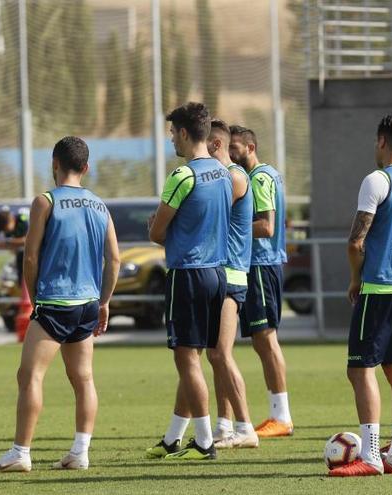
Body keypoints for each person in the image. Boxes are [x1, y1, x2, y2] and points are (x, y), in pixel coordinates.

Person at [0, 136, 120, 472]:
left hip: (55, 302)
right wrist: (104, 302)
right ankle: (80, 451)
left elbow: (30, 256)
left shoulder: (46, 201)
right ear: (86, 168)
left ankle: (20, 452)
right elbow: (113, 259)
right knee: (83, 378)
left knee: (29, 375)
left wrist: (34, 296)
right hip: (88, 303)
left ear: (54, 163)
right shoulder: (99, 205)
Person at [329, 114, 392, 477]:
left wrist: (355, 278)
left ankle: (371, 456)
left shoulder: (377, 180)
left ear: (381, 142)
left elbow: (357, 241)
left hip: (381, 286)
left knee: (359, 369)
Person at [145, 102, 231, 461]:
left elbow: (157, 231)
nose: (171, 141)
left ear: (183, 132)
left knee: (186, 360)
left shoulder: (183, 176)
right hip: (217, 273)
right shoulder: (225, 173)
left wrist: (158, 226)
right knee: (193, 357)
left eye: (171, 133)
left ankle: (205, 441)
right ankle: (172, 438)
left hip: (188, 274)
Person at [228, 125, 292, 438]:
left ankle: (281, 417)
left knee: (266, 339)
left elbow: (266, 226)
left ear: (251, 147)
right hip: (258, 264)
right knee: (261, 340)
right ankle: (277, 414)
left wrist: (228, 226)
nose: (230, 152)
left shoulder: (260, 178)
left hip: (262, 264)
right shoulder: (262, 176)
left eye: (235, 147)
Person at [205, 119, 259, 449]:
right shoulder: (223, 178)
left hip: (232, 276)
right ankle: (224, 425)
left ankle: (246, 427)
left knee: (222, 353)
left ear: (213, 145)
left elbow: (208, 220)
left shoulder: (234, 177)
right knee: (214, 354)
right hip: (219, 274)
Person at [0, 208, 29, 284]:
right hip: (20, 256)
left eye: (7, 228)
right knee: (21, 282)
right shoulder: (0, 223)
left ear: (12, 219)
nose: (6, 231)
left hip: (33, 255)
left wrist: (8, 242)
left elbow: (28, 240)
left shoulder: (22, 220)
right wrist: (8, 244)